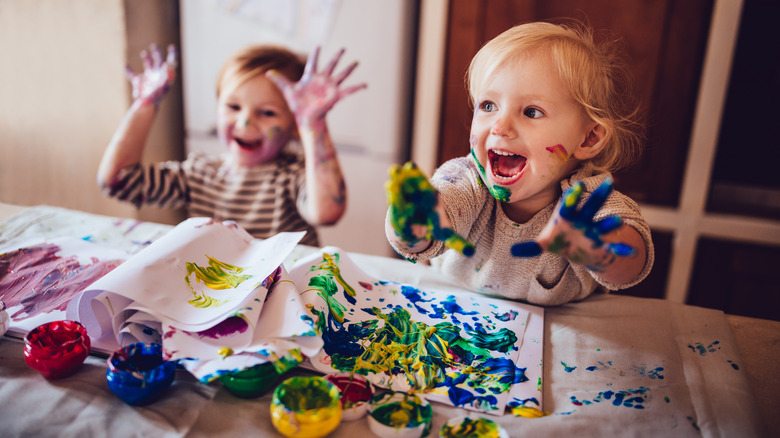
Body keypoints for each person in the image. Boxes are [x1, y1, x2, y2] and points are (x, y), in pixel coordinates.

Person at [385, 21, 654, 305]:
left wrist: (597, 249)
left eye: (531, 111)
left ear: (588, 138)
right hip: (453, 311)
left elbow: (632, 266)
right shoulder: (468, 179)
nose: (500, 126)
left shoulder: (585, 204)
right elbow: (421, 233)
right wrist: (410, 223)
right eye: (488, 105)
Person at [98, 43, 366, 246]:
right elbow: (118, 181)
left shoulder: (292, 178)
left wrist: (313, 124)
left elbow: (327, 212)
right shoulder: (199, 174)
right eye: (233, 106)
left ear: (294, 125)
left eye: (268, 112)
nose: (245, 121)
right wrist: (145, 105)